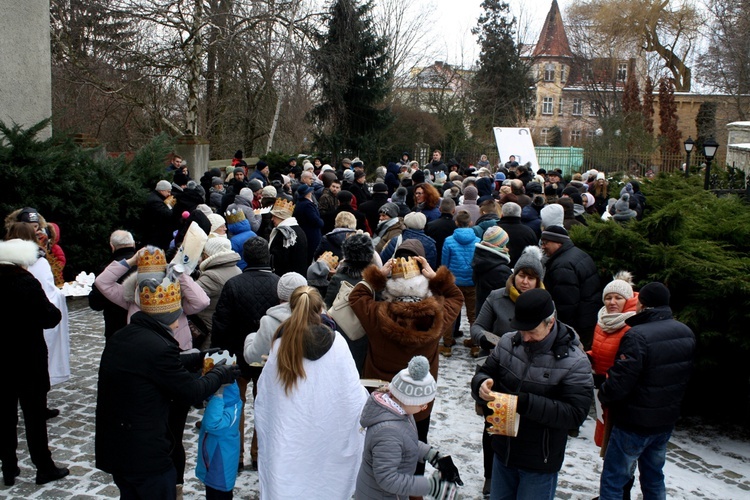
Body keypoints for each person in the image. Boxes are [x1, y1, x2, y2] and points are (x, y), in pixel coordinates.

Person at [96, 249, 240, 499]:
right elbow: (192, 391)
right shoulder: (160, 347)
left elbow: (152, 364)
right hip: (146, 454)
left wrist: (199, 356)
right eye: (176, 320)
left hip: (117, 447)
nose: (179, 324)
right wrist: (220, 374)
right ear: (166, 320)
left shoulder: (124, 336)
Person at [350, 245, 463, 474]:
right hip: (418, 401)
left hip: (381, 397)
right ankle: (413, 491)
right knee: (417, 444)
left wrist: (377, 276)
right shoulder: (436, 316)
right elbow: (456, 296)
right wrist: (435, 277)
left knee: (379, 448)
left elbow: (357, 295)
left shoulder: (377, 313)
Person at [472, 289, 593, 500]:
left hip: (539, 463)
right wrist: (482, 384)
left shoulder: (575, 362)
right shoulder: (509, 341)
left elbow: (575, 414)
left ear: (550, 322)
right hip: (502, 452)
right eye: (522, 330)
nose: (525, 338)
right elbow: (484, 372)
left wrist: (525, 403)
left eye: (532, 331)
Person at [255, 286, 368, 499]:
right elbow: (352, 395)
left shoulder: (281, 344)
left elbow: (267, 393)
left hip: (289, 439)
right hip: (327, 438)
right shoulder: (338, 344)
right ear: (321, 309)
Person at [597, 282, 696, 500]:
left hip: (633, 423)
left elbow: (620, 382)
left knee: (614, 478)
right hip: (664, 422)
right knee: (653, 476)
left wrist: (602, 394)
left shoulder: (637, 335)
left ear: (642, 303)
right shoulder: (685, 332)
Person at [0, 238, 68, 487]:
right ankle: (43, 466)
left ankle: (8, 466)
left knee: (5, 416)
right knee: (34, 416)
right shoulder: (25, 282)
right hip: (28, 358)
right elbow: (50, 317)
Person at [212, 237, 280, 472]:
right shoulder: (277, 284)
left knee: (235, 406)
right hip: (267, 358)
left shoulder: (234, 284)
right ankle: (258, 453)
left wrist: (221, 354)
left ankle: (236, 455)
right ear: (267, 257)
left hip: (238, 356)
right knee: (264, 405)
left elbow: (221, 323)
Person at [355, 356, 463, 499]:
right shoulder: (387, 432)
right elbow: (388, 480)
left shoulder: (399, 411)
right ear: (408, 399)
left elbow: (405, 441)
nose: (425, 407)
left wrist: (431, 455)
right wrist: (431, 486)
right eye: (422, 403)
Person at [540, 225, 600, 349]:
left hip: (578, 324)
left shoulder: (562, 266)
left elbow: (566, 304)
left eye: (546, 243)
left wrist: (562, 329)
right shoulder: (576, 254)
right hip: (588, 317)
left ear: (558, 243)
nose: (543, 247)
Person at [323, 233, 375, 374]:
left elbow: (328, 308)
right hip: (367, 335)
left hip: (341, 335)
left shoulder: (338, 279)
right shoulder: (374, 281)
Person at [195, 353, 243, 499]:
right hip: (213, 463)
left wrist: (217, 394)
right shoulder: (224, 400)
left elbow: (213, 424)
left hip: (220, 465)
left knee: (220, 494)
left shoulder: (231, 405)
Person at [440, 210, 479, 357]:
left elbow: (444, 263)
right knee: (473, 315)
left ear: (456, 222)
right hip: (471, 281)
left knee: (450, 312)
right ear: (470, 223)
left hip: (454, 282)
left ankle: (447, 345)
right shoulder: (478, 241)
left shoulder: (449, 240)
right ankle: (475, 344)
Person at [193, 238, 242, 350]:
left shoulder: (211, 276)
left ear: (207, 254)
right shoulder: (236, 269)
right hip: (227, 326)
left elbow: (189, 296)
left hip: (208, 328)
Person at [89, 230, 137, 339]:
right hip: (144, 330)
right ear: (133, 244)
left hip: (115, 330)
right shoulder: (147, 267)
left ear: (112, 246)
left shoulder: (106, 271)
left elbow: (95, 304)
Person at [471, 226, 512, 317]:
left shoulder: (480, 261)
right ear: (498, 245)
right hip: (495, 316)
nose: (506, 247)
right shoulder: (500, 270)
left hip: (483, 311)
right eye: (504, 244)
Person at [268, 198, 308, 277]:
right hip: (299, 276)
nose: (272, 219)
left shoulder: (283, 233)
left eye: (274, 216)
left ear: (281, 216)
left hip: (285, 278)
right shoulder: (299, 230)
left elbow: (279, 261)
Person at [498, 202, 538, 268]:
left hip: (498, 270)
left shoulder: (494, 231)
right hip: (521, 271)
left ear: (501, 214)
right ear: (520, 215)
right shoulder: (529, 232)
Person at [292, 183, 324, 264]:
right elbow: (316, 221)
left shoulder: (299, 203)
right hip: (311, 235)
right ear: (307, 194)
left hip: (305, 233)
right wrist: (321, 222)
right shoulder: (307, 205)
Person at [143, 179, 175, 250]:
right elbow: (167, 214)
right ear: (162, 190)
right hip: (156, 236)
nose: (169, 194)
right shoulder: (156, 201)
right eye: (168, 192)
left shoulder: (157, 199)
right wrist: (171, 207)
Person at [425, 197, 456, 265]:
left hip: (434, 261)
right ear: (453, 211)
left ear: (440, 209)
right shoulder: (457, 227)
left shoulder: (430, 225)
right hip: (452, 261)